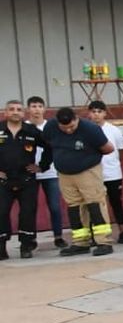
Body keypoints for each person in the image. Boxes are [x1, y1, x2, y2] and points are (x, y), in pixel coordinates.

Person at [42, 106, 116, 257]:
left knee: (95, 203)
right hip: (64, 173)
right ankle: (80, 242)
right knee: (74, 206)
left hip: (88, 171)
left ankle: (103, 241)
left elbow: (108, 148)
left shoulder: (90, 129)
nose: (68, 130)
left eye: (71, 127)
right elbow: (48, 146)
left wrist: (87, 156)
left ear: (77, 119)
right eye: (64, 128)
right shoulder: (50, 127)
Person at [0, 99, 50, 259]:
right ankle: (1, 247)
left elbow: (50, 147)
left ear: (23, 113)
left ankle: (26, 246)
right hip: (3, 180)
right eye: (11, 109)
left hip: (27, 180)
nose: (15, 112)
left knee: (27, 213)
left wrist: (42, 166)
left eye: (18, 109)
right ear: (5, 112)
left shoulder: (32, 131)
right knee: (1, 212)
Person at [86, 101, 123, 244]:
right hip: (92, 174)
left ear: (105, 113)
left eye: (99, 111)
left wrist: (113, 163)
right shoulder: (85, 131)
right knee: (94, 206)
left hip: (112, 173)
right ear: (89, 114)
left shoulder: (114, 130)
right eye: (93, 112)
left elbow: (122, 151)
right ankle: (97, 235)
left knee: (116, 202)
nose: (96, 115)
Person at [27, 97, 65, 249]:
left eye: (39, 106)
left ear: (44, 109)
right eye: (33, 106)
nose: (36, 109)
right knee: (30, 208)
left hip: (50, 173)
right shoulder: (24, 127)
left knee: (55, 206)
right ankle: (30, 239)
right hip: (29, 173)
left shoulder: (51, 126)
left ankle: (58, 237)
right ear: (28, 109)